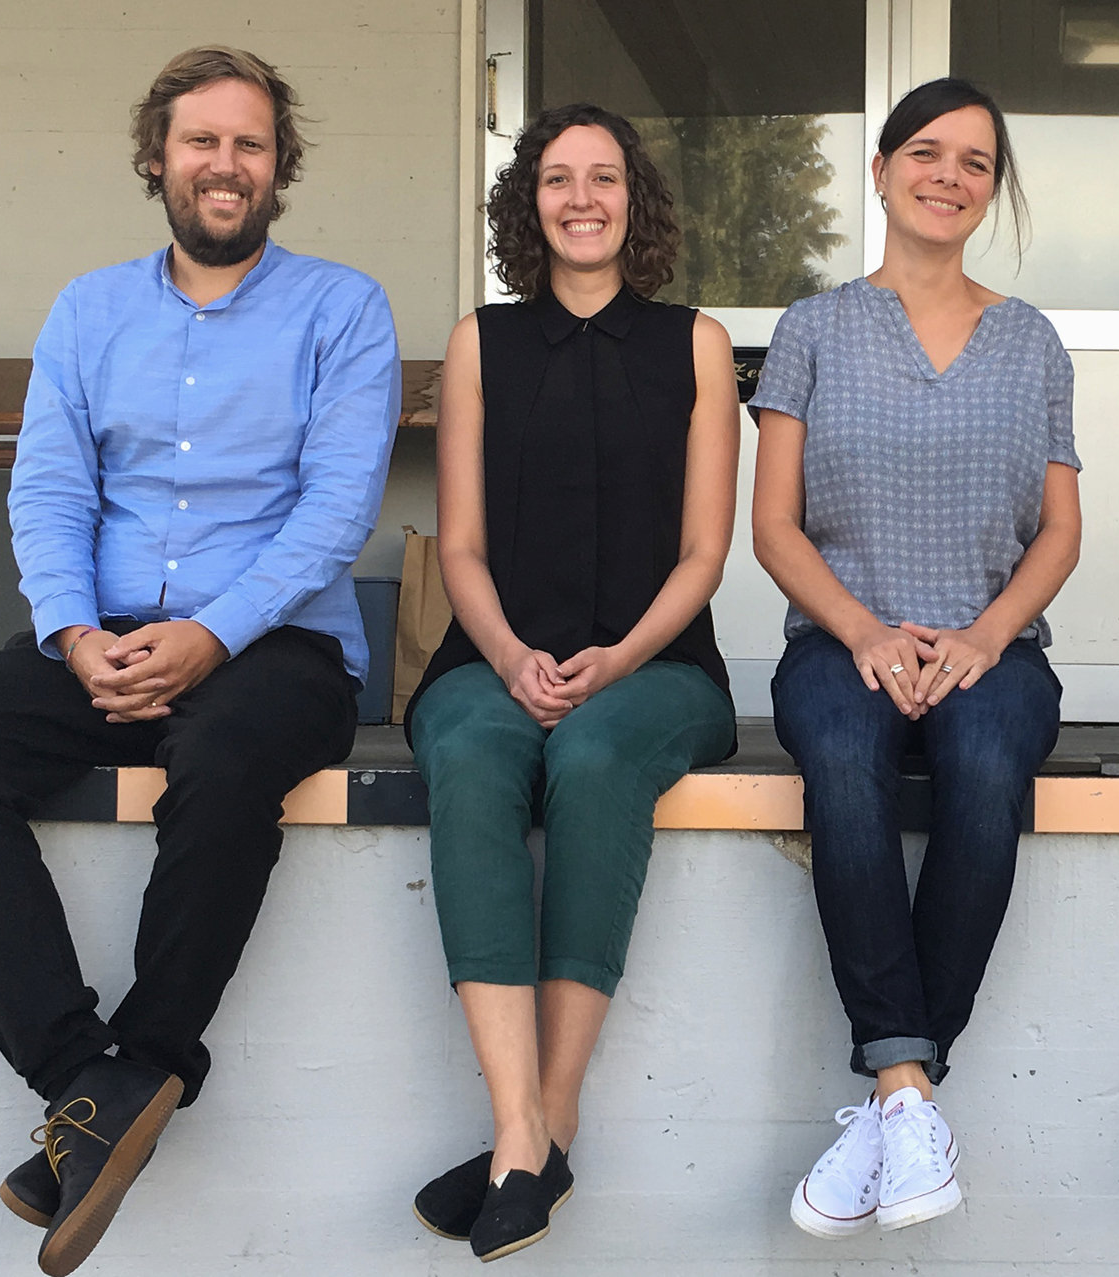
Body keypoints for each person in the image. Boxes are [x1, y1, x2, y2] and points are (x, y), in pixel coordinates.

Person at [0, 46, 398, 1276]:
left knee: (223, 757)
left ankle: (149, 1054)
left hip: (275, 643)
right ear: (157, 159)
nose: (226, 163)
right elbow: (50, 490)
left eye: (250, 144)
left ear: (279, 167)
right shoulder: (87, 310)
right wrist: (73, 634)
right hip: (99, 634)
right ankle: (86, 1077)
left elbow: (335, 510)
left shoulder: (342, 308)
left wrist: (211, 633)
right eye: (201, 140)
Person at [400, 103, 740, 1262]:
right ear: (528, 202)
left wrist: (618, 658)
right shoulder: (480, 342)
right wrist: (507, 655)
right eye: (557, 178)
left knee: (593, 758)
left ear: (634, 201)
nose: (581, 198)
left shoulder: (695, 343)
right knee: (468, 752)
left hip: (657, 664)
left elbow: (703, 553)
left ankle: (548, 1118)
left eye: (603, 178)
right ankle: (522, 1132)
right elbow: (459, 546)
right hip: (494, 655)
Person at [749, 77, 1080, 1238]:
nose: (949, 176)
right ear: (882, 170)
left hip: (994, 648)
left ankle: (893, 1098)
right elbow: (773, 526)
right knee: (843, 767)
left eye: (975, 162)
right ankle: (907, 1087)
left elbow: (1059, 531)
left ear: (992, 190)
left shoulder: (1030, 340)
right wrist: (864, 631)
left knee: (985, 772)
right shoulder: (812, 328)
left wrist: (985, 635)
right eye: (927, 153)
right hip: (842, 640)